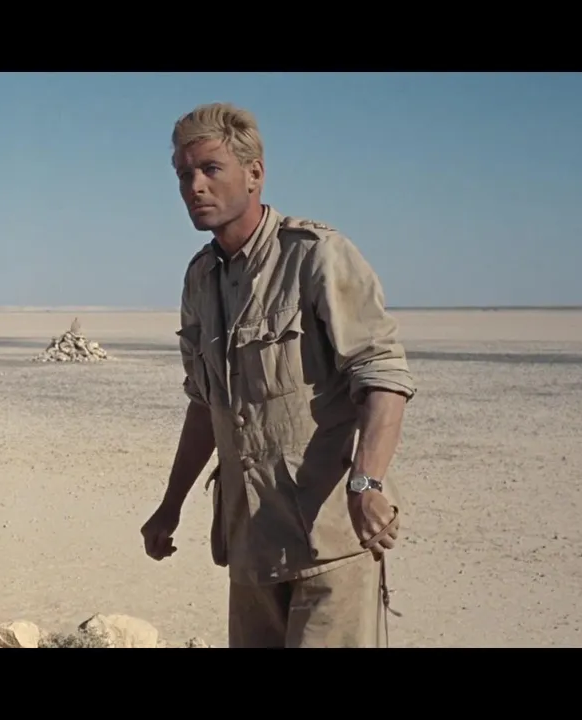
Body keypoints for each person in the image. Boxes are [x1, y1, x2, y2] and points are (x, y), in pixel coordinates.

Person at [140, 103, 417, 648]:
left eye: (210, 169)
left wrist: (367, 482)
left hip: (328, 541)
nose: (195, 186)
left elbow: (382, 375)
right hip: (251, 543)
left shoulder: (316, 257)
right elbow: (206, 404)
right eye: (184, 174)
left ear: (255, 173)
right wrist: (170, 506)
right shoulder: (201, 279)